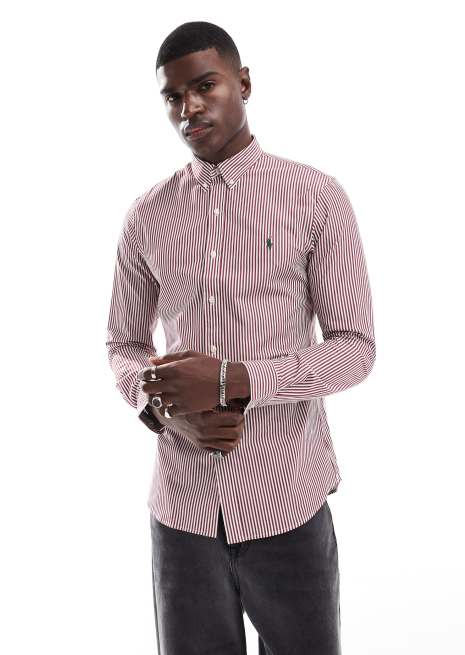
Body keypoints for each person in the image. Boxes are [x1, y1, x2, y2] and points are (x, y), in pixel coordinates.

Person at [105, 20, 375, 655]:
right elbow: (122, 342)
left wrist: (234, 381)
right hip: (183, 513)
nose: (189, 108)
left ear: (244, 83)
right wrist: (163, 410)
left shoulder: (316, 198)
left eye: (206, 86)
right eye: (173, 96)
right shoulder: (147, 216)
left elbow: (356, 347)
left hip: (287, 502)